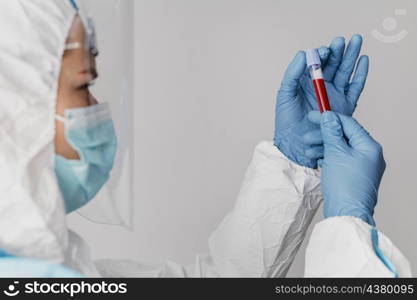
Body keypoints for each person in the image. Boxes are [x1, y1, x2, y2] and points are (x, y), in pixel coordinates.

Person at [0, 0, 410, 277]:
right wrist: (349, 229)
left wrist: (293, 162)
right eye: (84, 85)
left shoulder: (54, 268)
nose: (97, 111)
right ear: (12, 117)